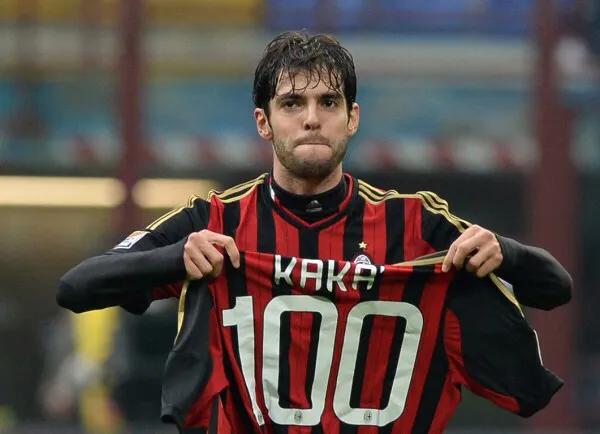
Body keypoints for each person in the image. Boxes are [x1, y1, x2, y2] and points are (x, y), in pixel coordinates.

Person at [57, 31, 572, 431]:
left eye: (328, 103)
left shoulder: (416, 222)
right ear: (263, 122)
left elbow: (555, 288)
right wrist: (176, 258)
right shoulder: (214, 220)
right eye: (292, 104)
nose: (312, 119)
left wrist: (506, 252)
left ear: (352, 118)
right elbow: (77, 287)